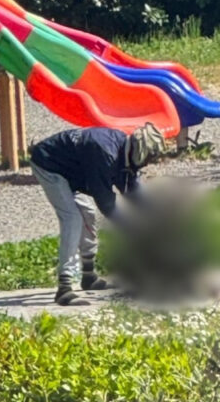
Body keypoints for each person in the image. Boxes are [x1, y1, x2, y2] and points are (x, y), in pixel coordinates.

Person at [30, 123, 167, 306]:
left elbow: (134, 191)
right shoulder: (104, 153)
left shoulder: (124, 150)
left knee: (87, 215)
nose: (150, 162)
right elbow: (106, 203)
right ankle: (64, 288)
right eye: (150, 156)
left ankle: (88, 276)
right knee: (72, 219)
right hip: (49, 164)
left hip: (72, 170)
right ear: (141, 151)